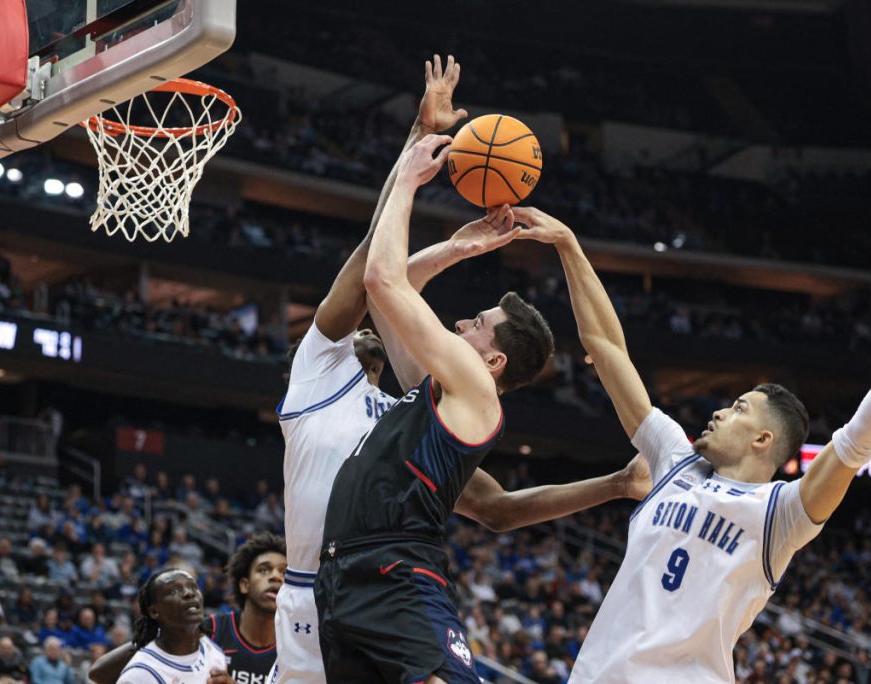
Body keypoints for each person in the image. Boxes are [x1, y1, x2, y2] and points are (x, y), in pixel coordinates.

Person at [274, 55, 649, 684]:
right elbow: (391, 288)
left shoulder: (468, 388)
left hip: (392, 570)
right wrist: (456, 245)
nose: (457, 325)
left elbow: (383, 279)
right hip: (340, 581)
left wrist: (409, 180)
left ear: (494, 359)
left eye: (473, 324)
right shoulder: (417, 400)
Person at [510, 207, 871, 682]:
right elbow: (607, 347)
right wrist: (569, 246)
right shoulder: (675, 461)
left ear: (764, 439)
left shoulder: (781, 514)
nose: (718, 412)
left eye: (737, 408)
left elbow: (856, 443)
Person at [89, 534, 286, 684]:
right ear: (244, 584)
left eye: (284, 572)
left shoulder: (295, 645)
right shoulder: (210, 629)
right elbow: (99, 673)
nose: (276, 577)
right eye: (264, 570)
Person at [113, 569, 230, 684]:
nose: (189, 593)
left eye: (194, 586)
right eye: (174, 591)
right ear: (154, 611)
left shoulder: (213, 652)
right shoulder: (139, 675)